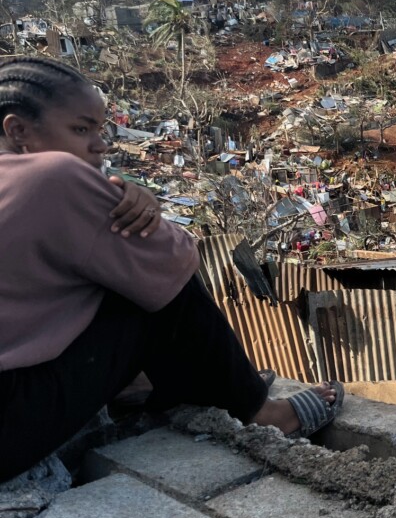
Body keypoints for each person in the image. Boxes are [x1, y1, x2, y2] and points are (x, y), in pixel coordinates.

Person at [0, 57, 342, 482]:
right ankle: (263, 412)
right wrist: (149, 210)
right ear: (17, 131)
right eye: (81, 129)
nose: (100, 145)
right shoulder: (54, 175)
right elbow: (176, 259)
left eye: (101, 131)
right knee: (150, 285)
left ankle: (144, 387)